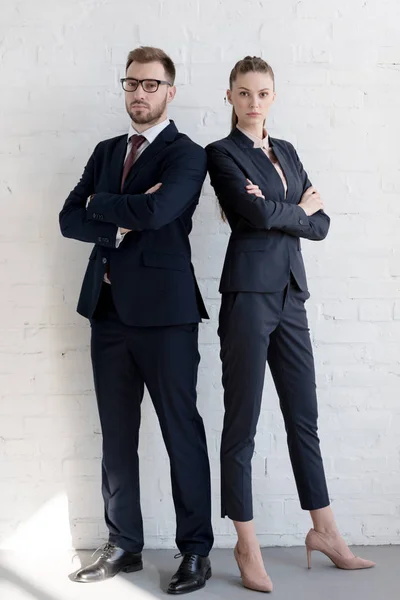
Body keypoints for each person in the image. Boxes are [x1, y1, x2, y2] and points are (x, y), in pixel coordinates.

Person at [206, 56, 375, 593]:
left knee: (305, 418)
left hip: (291, 296)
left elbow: (320, 224)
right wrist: (294, 208)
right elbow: (251, 217)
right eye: (244, 93)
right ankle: (246, 542)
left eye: (263, 93)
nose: (255, 103)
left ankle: (325, 532)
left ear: (273, 97)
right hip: (249, 297)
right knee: (243, 424)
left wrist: (284, 209)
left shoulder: (290, 152)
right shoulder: (221, 153)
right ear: (230, 97)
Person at [59, 46, 213, 595]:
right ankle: (124, 544)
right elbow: (67, 218)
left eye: (151, 85)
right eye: (132, 84)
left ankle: (195, 550)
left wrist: (103, 208)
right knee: (118, 439)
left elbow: (158, 211)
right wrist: (115, 213)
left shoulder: (187, 154)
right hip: (108, 315)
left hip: (167, 318)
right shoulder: (105, 152)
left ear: (170, 91)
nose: (139, 94)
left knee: (181, 434)